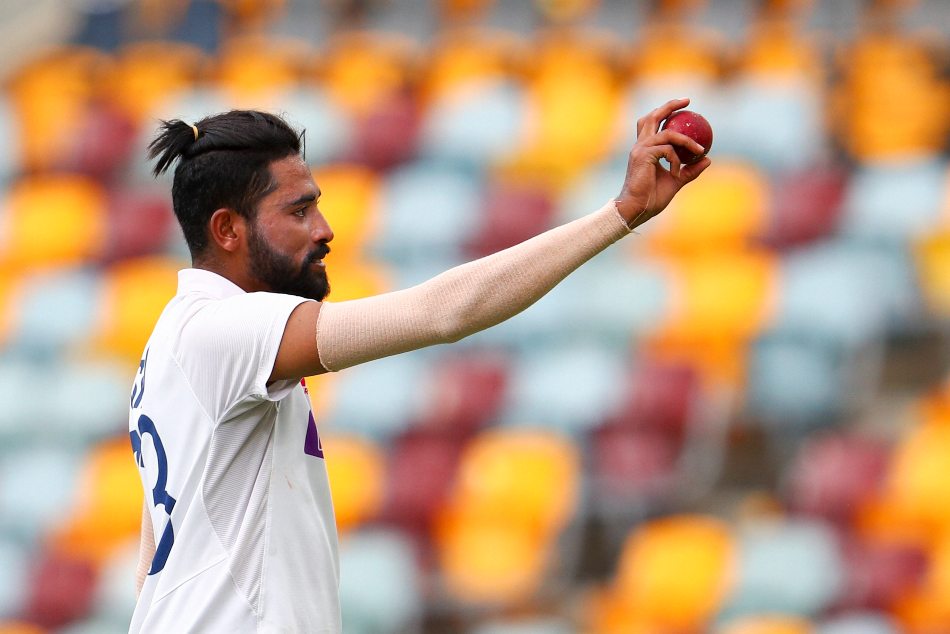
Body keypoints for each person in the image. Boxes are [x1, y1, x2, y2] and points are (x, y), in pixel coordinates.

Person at [128, 99, 709, 632]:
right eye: (299, 211)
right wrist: (621, 213)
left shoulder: (174, 345)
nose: (324, 230)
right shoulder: (225, 331)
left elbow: (152, 561)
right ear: (227, 229)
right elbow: (444, 312)